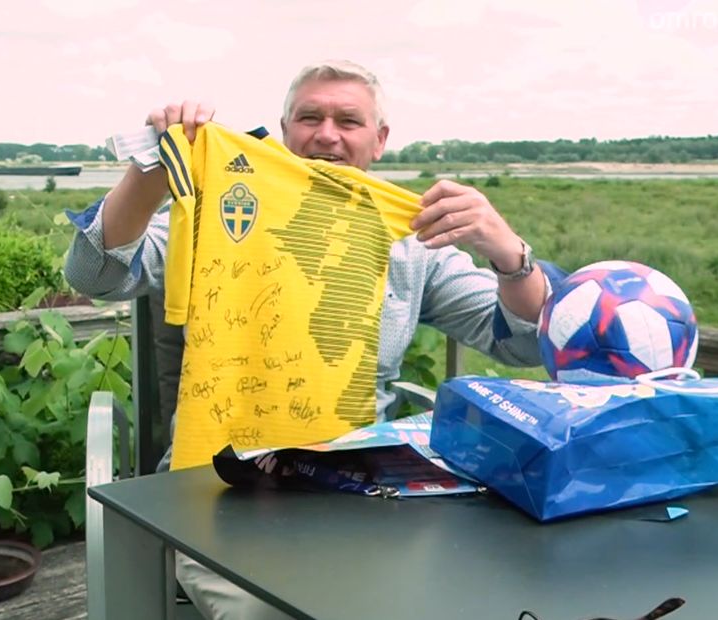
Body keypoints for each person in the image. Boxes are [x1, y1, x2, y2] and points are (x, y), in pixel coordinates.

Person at [64, 59, 564, 620]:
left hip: (366, 494)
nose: (327, 134)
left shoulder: (410, 240)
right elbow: (95, 274)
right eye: (310, 117)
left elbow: (525, 341)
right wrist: (157, 162)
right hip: (222, 491)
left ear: (379, 141)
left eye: (348, 121)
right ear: (284, 130)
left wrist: (509, 253)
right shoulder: (223, 206)